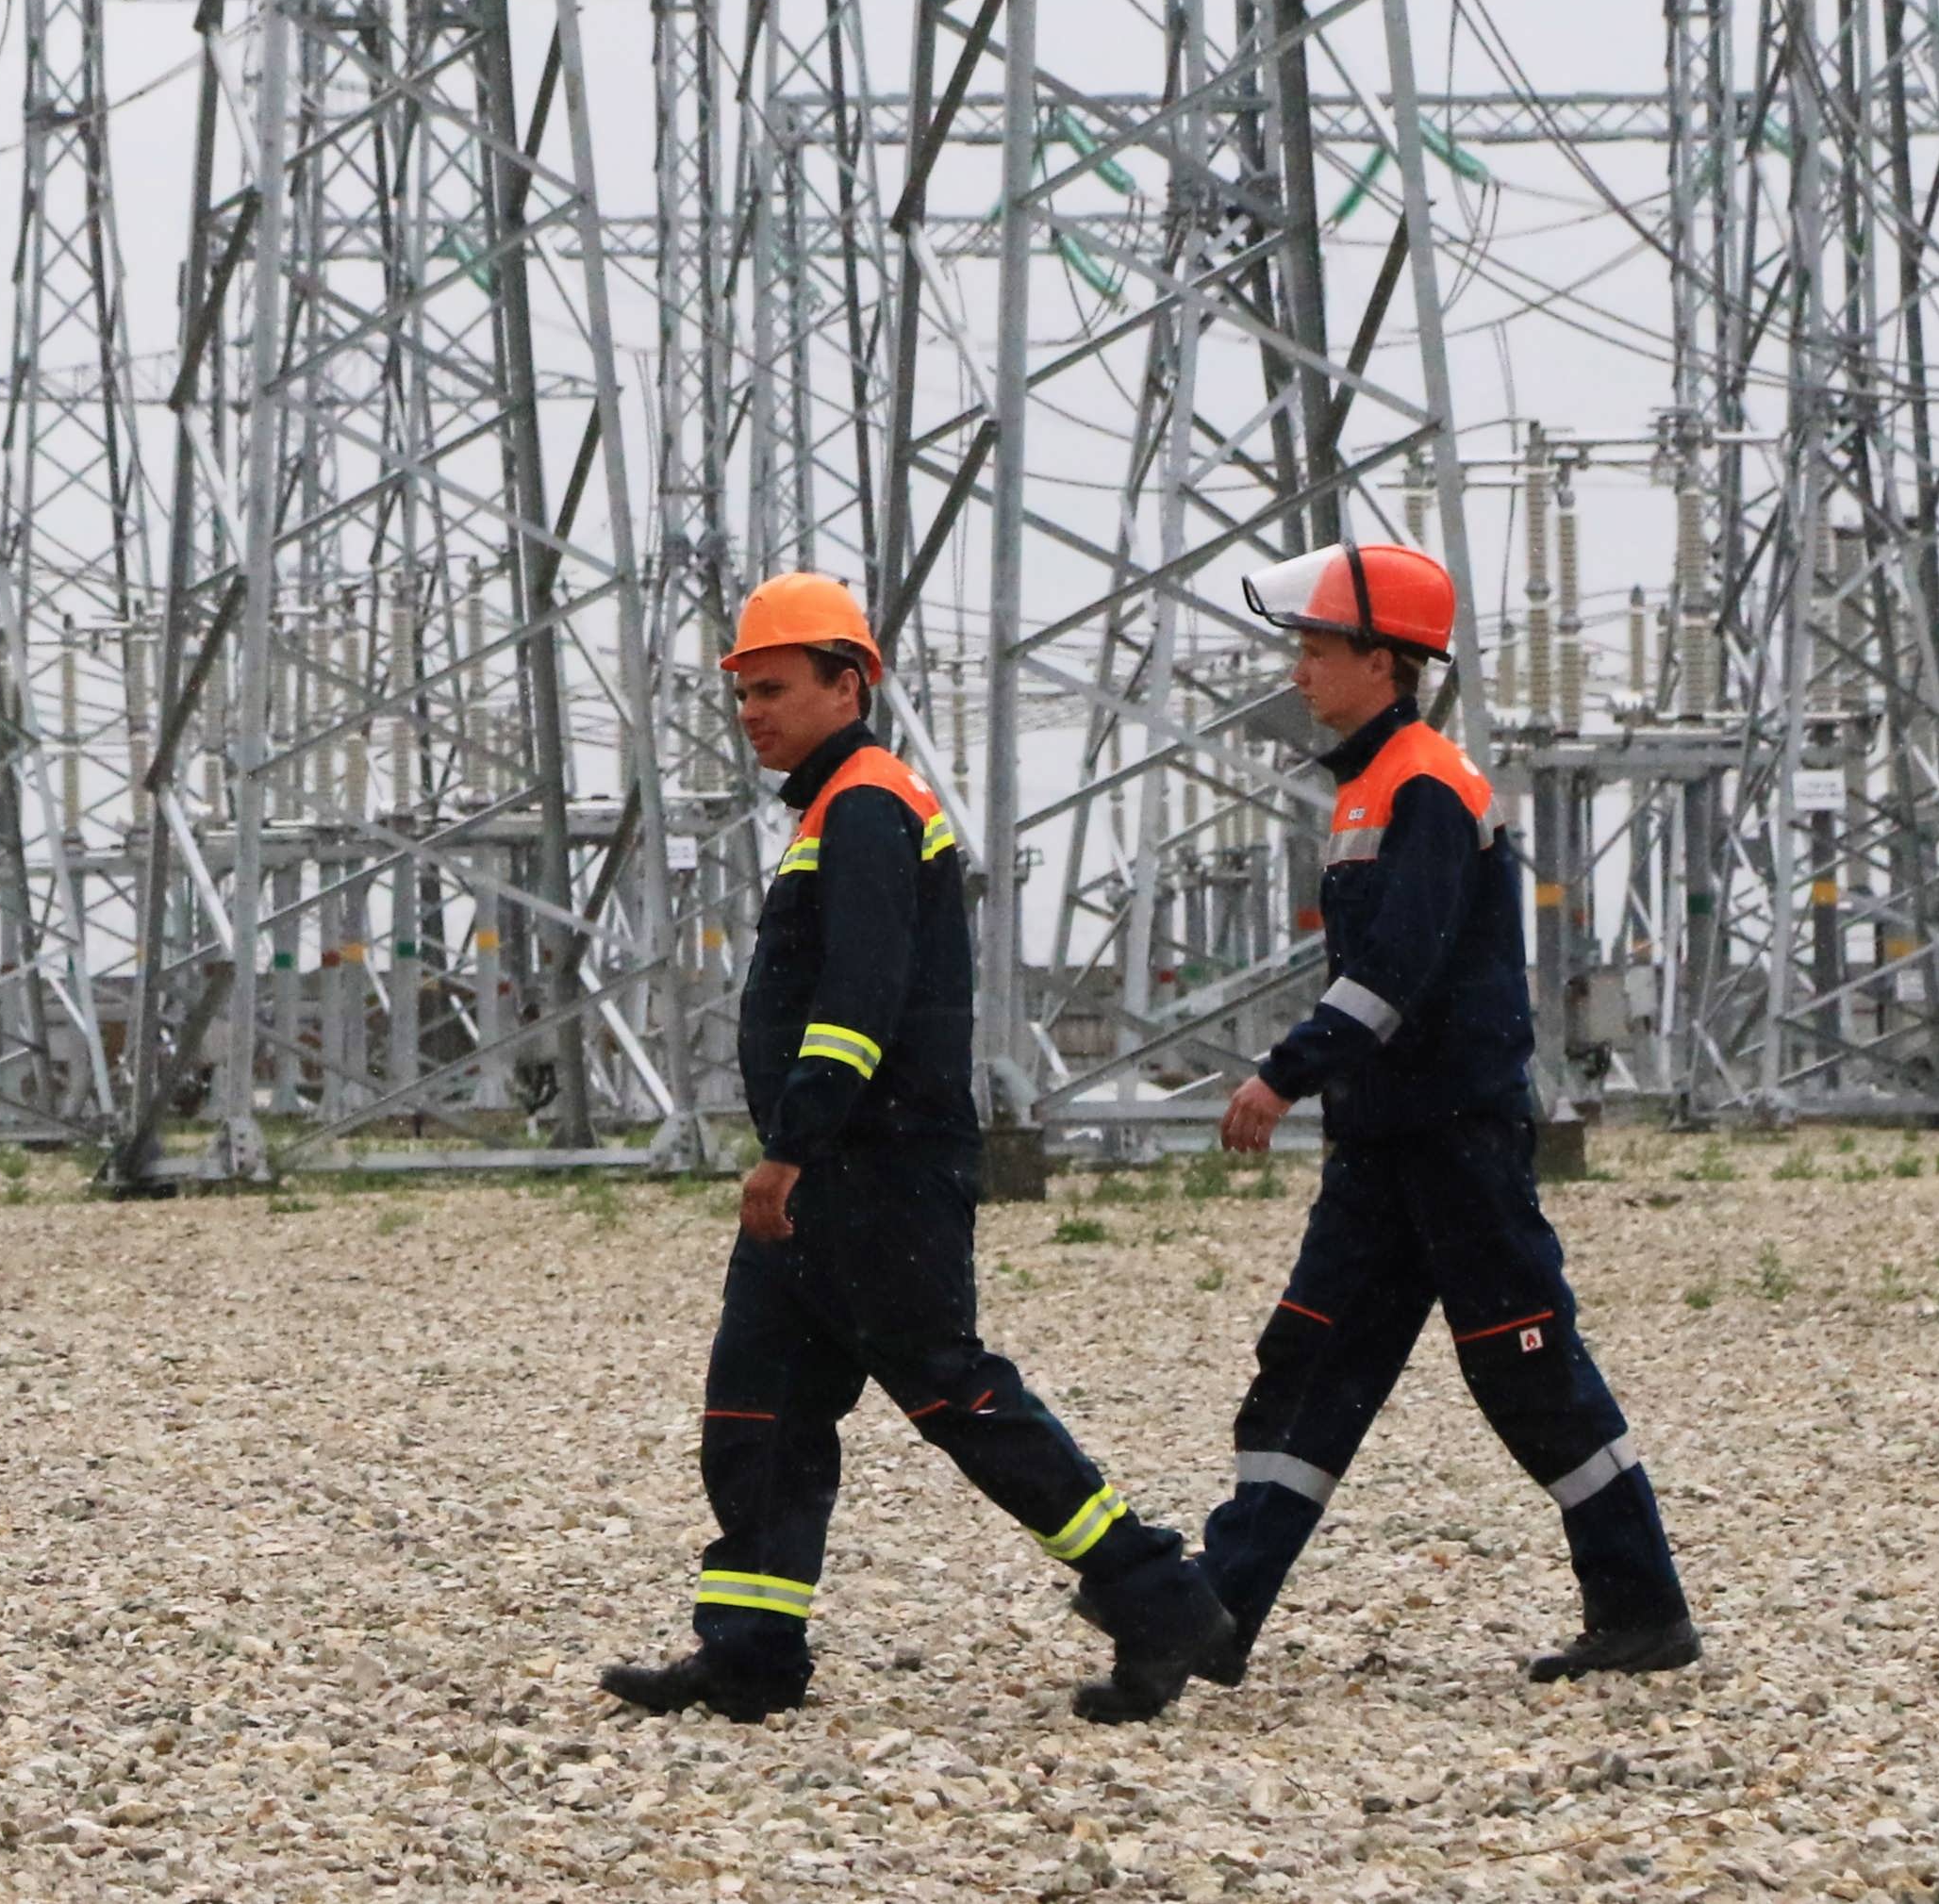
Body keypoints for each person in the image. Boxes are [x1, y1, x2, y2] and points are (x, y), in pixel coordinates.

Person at [600, 574, 1235, 1727]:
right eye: (741, 690)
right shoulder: (832, 804)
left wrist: (791, 1145)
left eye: (775, 688)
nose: (751, 710)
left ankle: (1157, 1593)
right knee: (760, 1409)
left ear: (850, 685)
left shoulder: (869, 806)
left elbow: (859, 999)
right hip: (832, 1171)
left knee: (953, 1393)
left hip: (873, 1170)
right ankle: (747, 1651)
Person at [1106, 539, 1698, 1715]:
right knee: (1305, 1368)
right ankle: (1215, 1617)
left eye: (1315, 651)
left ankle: (1642, 1613)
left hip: (1455, 1146)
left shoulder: (1426, 781)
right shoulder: (1367, 786)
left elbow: (1396, 971)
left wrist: (1283, 1074)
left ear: (1383, 660)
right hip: (1382, 1149)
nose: (1299, 670)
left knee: (1530, 1374)